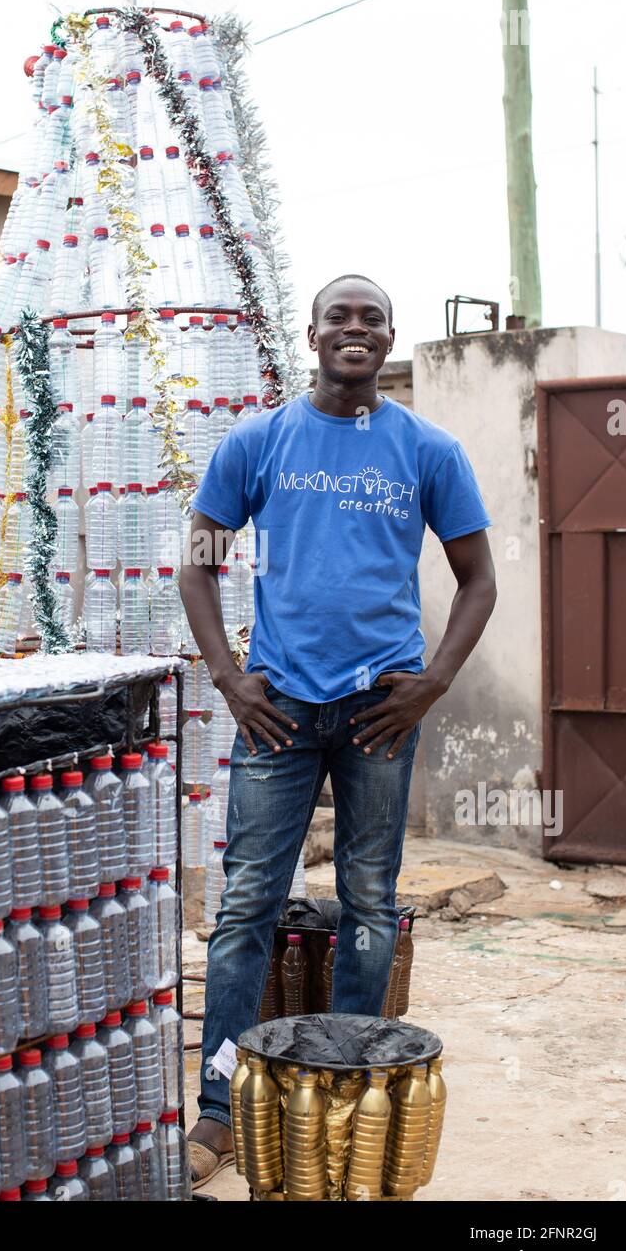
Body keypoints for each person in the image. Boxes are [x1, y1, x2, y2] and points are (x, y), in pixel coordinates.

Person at [178, 274, 497, 1188]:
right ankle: (222, 1112)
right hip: (276, 712)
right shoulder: (258, 441)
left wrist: (430, 685)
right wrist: (232, 682)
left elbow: (480, 579)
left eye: (370, 319)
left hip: (379, 714)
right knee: (245, 910)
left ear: (389, 338)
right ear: (312, 336)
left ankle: (344, 1087)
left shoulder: (428, 449)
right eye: (338, 318)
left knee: (367, 904)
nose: (354, 330)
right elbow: (197, 566)